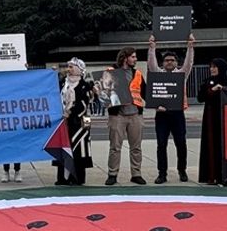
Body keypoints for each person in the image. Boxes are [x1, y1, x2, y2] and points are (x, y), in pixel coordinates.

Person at [147, 33, 196, 183]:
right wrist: (152, 47)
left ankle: (182, 170)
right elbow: (151, 64)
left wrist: (190, 46)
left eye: (172, 60)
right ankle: (162, 173)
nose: (169, 62)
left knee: (181, 143)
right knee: (161, 144)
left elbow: (189, 63)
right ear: (163, 63)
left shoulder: (181, 75)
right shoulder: (158, 74)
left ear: (176, 63)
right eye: (167, 60)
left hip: (177, 114)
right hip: (161, 115)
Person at [104, 47, 147, 186]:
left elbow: (145, 92)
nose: (135, 59)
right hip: (118, 115)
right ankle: (112, 174)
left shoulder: (138, 74)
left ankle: (136, 174)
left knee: (136, 147)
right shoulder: (111, 72)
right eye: (133, 57)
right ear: (125, 57)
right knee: (115, 147)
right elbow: (104, 93)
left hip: (135, 114)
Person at [55, 57, 95, 186]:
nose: (68, 69)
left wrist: (71, 113)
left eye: (71, 67)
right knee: (64, 148)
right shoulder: (62, 83)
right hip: (64, 120)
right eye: (68, 66)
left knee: (80, 148)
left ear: (79, 69)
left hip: (82, 120)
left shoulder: (86, 85)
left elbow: (85, 104)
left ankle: (78, 177)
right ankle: (63, 177)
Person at [197, 58, 227, 185]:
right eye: (210, 66)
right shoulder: (207, 81)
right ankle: (211, 175)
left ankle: (226, 175)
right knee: (212, 145)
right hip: (211, 118)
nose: (212, 69)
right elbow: (200, 98)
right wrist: (212, 90)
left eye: (215, 67)